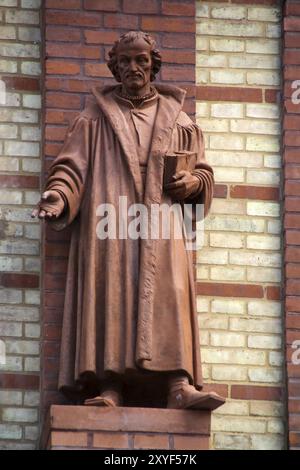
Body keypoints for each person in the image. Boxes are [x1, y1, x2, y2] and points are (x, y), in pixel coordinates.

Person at [32, 31, 225, 410]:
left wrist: (192, 183)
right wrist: (58, 196)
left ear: (153, 64)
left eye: (140, 60)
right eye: (124, 61)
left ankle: (178, 385)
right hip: (111, 218)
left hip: (163, 220)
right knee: (111, 292)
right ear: (114, 67)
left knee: (169, 292)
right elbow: (72, 167)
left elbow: (202, 173)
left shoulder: (178, 118)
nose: (133, 67)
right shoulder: (96, 118)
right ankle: (110, 387)